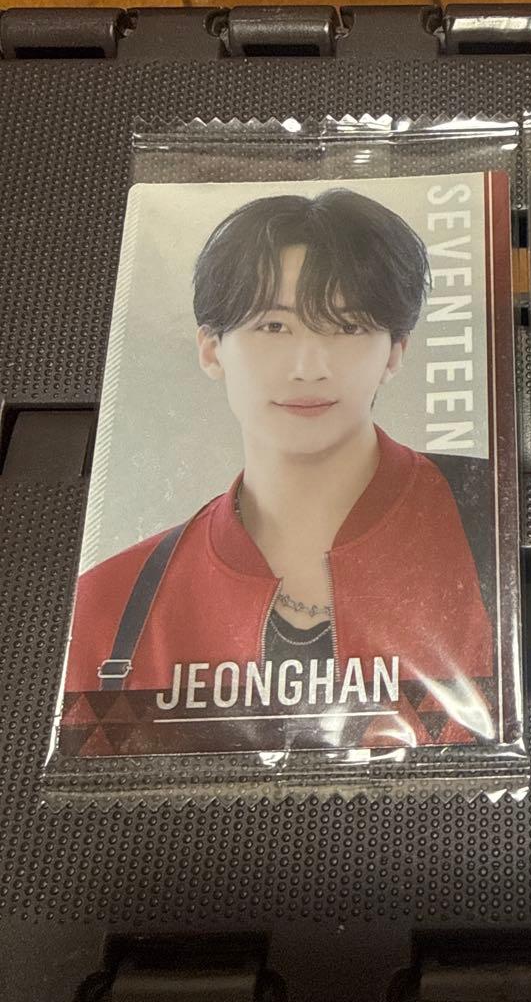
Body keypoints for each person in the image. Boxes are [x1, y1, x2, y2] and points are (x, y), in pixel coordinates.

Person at [63, 189, 494, 750]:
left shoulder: (494, 524)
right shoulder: (109, 603)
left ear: (394, 352)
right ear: (211, 348)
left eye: (346, 326)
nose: (308, 367)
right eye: (273, 326)